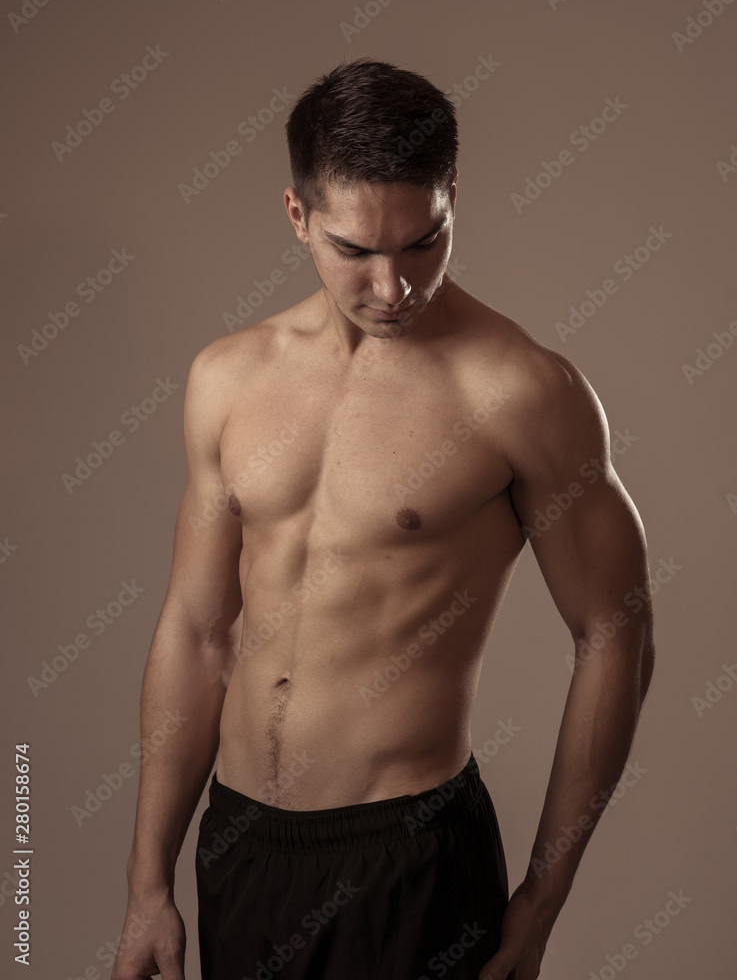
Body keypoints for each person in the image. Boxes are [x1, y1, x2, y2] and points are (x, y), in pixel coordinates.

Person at [111, 57, 655, 980]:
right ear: (297, 217)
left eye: (424, 242)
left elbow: (615, 632)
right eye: (355, 251)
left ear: (453, 199)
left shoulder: (522, 392)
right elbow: (198, 633)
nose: (393, 286)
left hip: (410, 864)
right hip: (241, 847)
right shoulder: (228, 380)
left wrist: (539, 901)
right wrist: (147, 888)